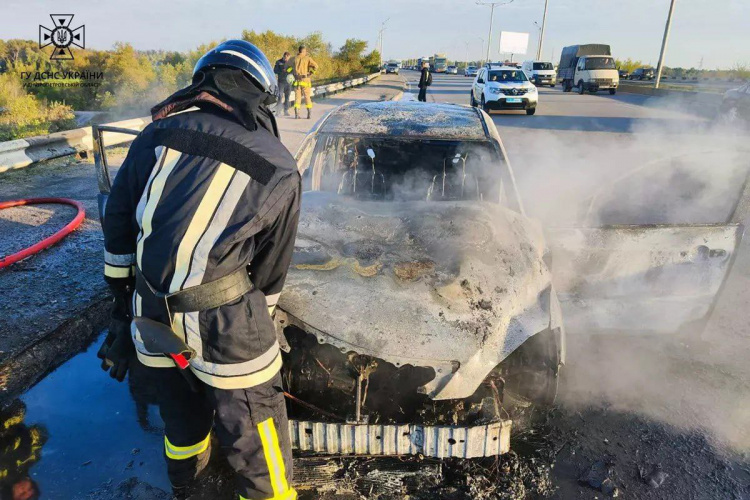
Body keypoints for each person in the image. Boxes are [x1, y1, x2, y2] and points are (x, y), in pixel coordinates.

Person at [98, 39, 301, 500]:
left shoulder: (154, 136)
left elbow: (118, 221)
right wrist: (262, 316)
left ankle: (186, 488)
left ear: (202, 85)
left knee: (181, 418)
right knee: (258, 437)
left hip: (151, 317)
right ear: (259, 95)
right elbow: (273, 263)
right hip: (229, 328)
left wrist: (121, 297)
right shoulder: (278, 164)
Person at [288, 45, 318, 119]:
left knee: (297, 97)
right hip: (305, 80)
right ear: (304, 51)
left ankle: (296, 114)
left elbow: (287, 68)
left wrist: (292, 71)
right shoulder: (308, 58)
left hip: (296, 80)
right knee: (307, 97)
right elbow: (316, 66)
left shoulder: (293, 59)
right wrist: (311, 73)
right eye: (305, 51)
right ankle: (309, 114)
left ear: (299, 51)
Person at [274, 51, 292, 116]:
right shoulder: (278, 62)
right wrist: (281, 71)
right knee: (280, 96)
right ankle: (278, 111)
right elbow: (275, 71)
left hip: (288, 83)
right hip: (281, 82)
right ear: (284, 56)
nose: (286, 59)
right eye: (285, 58)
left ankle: (286, 110)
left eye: (288, 58)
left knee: (287, 97)